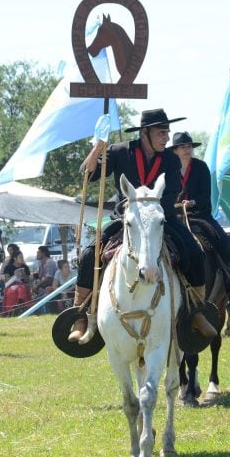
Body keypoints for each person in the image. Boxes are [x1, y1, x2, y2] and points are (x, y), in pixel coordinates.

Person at [68, 108, 216, 344]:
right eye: (161, 132)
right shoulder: (118, 151)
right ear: (145, 132)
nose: (167, 137)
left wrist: (151, 209)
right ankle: (80, 317)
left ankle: (196, 311)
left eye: (167, 132)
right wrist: (98, 146)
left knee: (195, 252)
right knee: (89, 254)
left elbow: (173, 191)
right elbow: (86, 175)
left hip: (161, 219)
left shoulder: (170, 159)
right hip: (125, 220)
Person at [167, 131, 230, 298]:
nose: (186, 150)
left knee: (223, 240)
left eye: (189, 147)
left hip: (199, 215)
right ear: (175, 151)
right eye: (182, 147)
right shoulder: (169, 169)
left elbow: (205, 194)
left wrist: (192, 202)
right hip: (175, 216)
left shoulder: (200, 167)